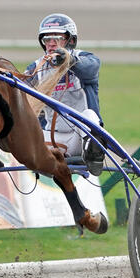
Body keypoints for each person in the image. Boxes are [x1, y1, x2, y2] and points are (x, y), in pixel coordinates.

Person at [24, 13, 105, 176]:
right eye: (47, 40)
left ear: (71, 40)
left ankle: (95, 156)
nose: (51, 44)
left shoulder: (85, 58)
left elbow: (89, 70)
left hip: (81, 139)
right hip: (54, 140)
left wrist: (67, 59)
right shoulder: (37, 68)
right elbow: (18, 93)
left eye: (56, 39)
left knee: (90, 115)